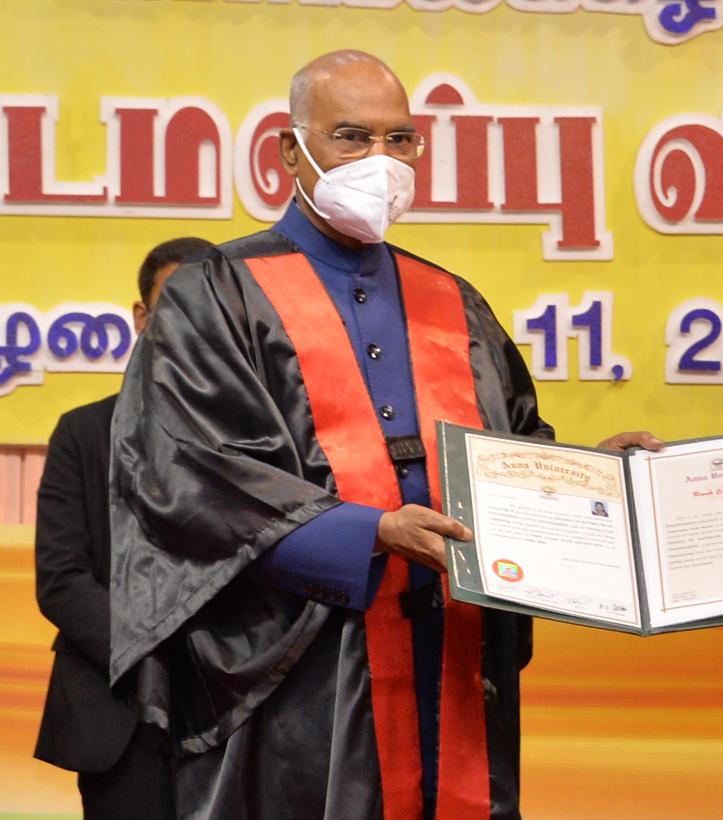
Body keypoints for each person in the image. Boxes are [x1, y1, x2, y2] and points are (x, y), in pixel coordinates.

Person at [108, 50, 656, 820]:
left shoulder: (451, 301)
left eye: (401, 139)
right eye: (352, 137)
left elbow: (506, 453)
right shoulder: (217, 295)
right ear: (289, 150)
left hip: (450, 656)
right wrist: (369, 533)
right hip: (302, 679)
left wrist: (591, 478)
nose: (381, 160)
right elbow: (188, 475)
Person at [34, 236, 211, 819]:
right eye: (175, 304)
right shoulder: (83, 433)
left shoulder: (260, 441)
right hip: (118, 712)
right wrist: (158, 652)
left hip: (233, 708)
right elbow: (62, 580)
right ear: (142, 316)